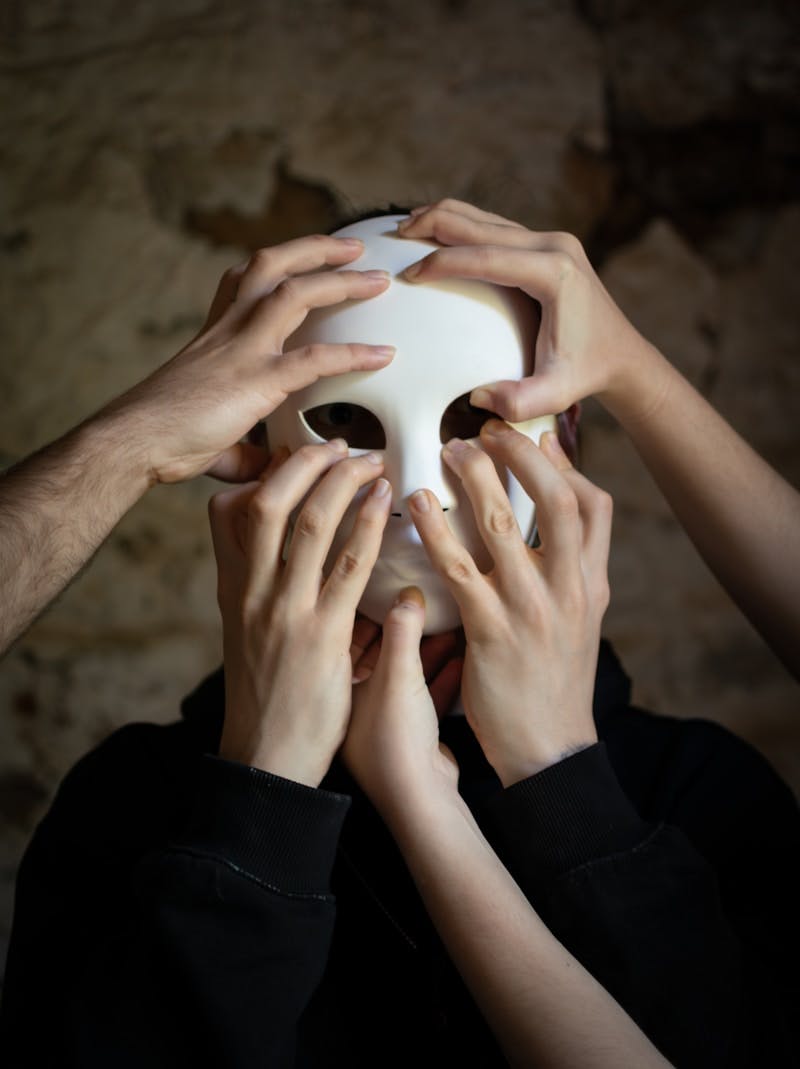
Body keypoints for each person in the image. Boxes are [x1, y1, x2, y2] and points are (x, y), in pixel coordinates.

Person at [1, 209, 797, 1066]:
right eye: (347, 422)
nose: (421, 489)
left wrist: (571, 799)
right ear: (258, 445)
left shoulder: (694, 789)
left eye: (470, 416)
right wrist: (258, 801)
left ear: (564, 438)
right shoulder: (133, 802)